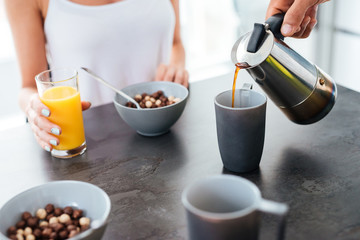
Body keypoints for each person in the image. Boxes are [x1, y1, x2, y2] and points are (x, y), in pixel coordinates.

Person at [5, 0, 189, 152]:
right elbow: (29, 86)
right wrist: (33, 108)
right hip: (89, 148)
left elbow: (176, 44)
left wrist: (176, 68)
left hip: (166, 134)